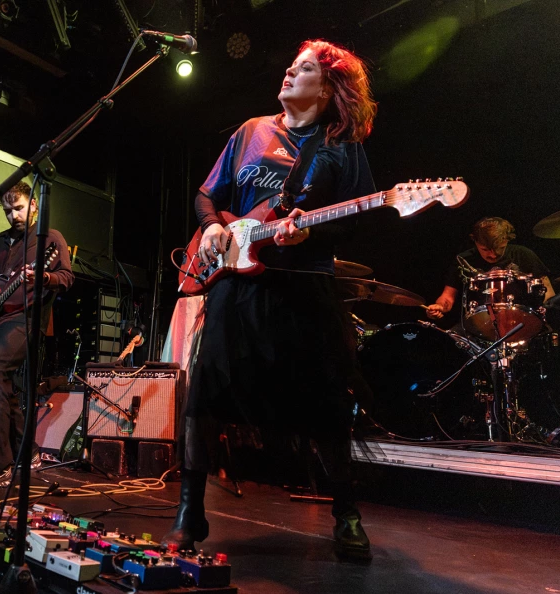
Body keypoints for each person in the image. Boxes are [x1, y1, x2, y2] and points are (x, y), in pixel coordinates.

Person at [163, 39, 378, 561]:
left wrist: (311, 235)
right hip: (239, 288)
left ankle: (345, 511)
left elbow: (358, 220)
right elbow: (206, 195)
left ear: (327, 88)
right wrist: (213, 227)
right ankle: (190, 512)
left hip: (305, 289)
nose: (288, 70)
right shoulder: (250, 132)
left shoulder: (341, 147)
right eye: (291, 64)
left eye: (303, 68)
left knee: (327, 404)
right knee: (205, 395)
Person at [0, 181, 74, 492]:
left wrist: (44, 277)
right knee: (0, 387)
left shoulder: (49, 239)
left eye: (19, 208)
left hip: (25, 320)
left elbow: (66, 277)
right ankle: (27, 452)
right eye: (8, 211)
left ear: (34, 205)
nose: (14, 215)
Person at [426, 216, 555, 320]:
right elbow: (447, 297)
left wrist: (542, 312)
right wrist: (440, 306)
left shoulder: (523, 254)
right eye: (485, 250)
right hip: (481, 322)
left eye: (500, 248)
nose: (493, 255)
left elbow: (548, 290)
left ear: (507, 240)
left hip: (522, 320)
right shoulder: (463, 260)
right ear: (475, 241)